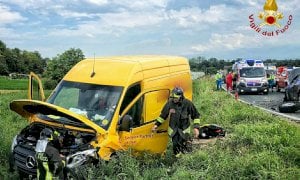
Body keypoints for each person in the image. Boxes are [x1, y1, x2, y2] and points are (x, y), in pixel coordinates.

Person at [152, 87, 201, 156]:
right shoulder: (169, 103)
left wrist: (196, 128)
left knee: (185, 145)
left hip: (184, 129)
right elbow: (163, 116)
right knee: (175, 145)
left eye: (176, 98)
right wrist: (156, 125)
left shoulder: (188, 104)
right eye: (173, 98)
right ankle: (177, 159)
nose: (174, 99)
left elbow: (196, 115)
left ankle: (187, 158)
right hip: (173, 129)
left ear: (181, 97)